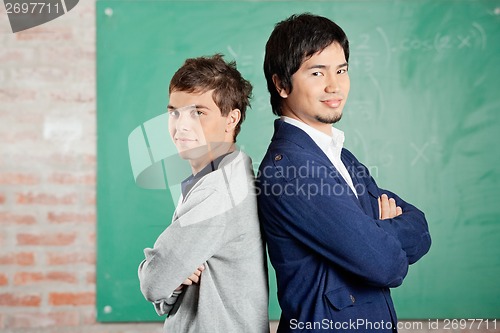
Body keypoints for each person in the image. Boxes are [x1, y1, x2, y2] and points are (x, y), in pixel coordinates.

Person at [257, 13, 431, 332]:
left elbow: (420, 228)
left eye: (341, 70)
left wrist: (376, 234)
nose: (334, 85)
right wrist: (378, 230)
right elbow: (386, 264)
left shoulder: (340, 154)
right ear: (281, 84)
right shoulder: (293, 170)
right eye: (317, 72)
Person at [138, 54, 269, 333]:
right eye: (174, 112)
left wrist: (162, 272)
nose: (181, 126)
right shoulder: (217, 175)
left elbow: (154, 283)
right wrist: (173, 276)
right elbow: (164, 297)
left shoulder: (220, 191)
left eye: (198, 112)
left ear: (231, 118)